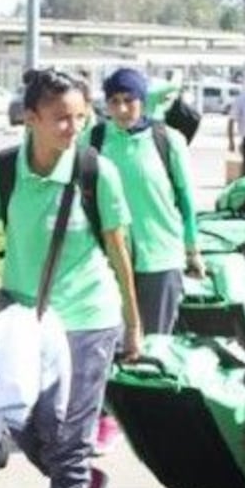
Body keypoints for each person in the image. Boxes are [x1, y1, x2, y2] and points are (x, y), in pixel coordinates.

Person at [0, 67, 142, 488]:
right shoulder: (4, 170)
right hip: (24, 322)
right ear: (30, 118)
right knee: (27, 424)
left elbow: (118, 248)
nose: (72, 128)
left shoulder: (95, 170)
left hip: (87, 317)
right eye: (60, 118)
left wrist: (133, 322)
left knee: (72, 431)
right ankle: (81, 479)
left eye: (81, 118)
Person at [87, 67, 205, 455]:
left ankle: (156, 420)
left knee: (152, 343)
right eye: (114, 102)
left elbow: (186, 199)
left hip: (160, 253)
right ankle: (106, 416)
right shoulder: (96, 138)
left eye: (129, 101)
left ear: (142, 100)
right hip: (108, 258)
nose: (121, 110)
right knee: (108, 339)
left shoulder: (166, 140)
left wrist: (192, 249)